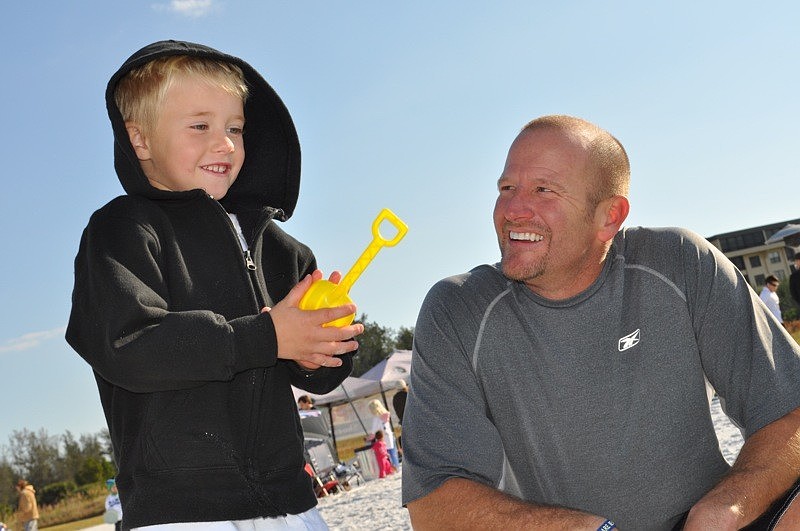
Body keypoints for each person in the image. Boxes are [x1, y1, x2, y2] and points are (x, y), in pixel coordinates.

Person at [402, 115, 800, 530]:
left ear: (609, 216)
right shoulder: (458, 309)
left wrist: (725, 509)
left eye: (544, 190)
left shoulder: (679, 263)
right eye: (506, 188)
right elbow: (433, 502)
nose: (514, 210)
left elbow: (790, 411)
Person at [65, 40, 364, 530]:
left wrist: (322, 348)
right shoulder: (122, 232)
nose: (225, 143)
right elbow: (129, 345)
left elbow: (319, 370)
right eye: (200, 126)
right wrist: (266, 337)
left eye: (235, 128)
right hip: (182, 511)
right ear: (140, 140)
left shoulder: (278, 247)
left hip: (290, 503)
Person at [368, 399, 399, 469]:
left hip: (383, 439)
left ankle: (391, 468)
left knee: (386, 456)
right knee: (393, 454)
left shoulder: (376, 418)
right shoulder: (385, 415)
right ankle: (396, 467)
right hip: (390, 436)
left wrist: (368, 438)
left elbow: (373, 432)